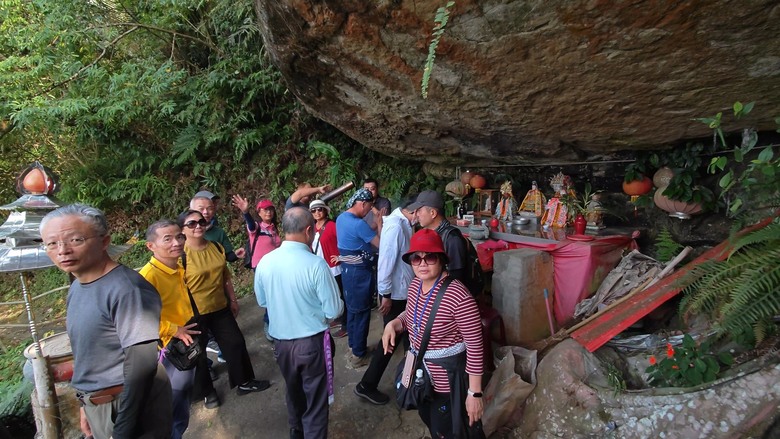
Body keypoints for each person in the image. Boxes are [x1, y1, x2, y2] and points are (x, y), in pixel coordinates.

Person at [40, 204, 172, 439]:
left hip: (127, 404)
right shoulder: (77, 286)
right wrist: (86, 404)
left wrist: (123, 430)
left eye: (75, 240)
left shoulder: (127, 289)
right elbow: (87, 355)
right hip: (100, 403)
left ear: (104, 241)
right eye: (52, 243)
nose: (63, 250)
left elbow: (142, 364)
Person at [381, 229, 484, 438]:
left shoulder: (459, 296)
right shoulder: (415, 286)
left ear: (442, 260)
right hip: (420, 374)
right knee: (430, 420)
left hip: (447, 383)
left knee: (450, 429)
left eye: (430, 257)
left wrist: (474, 393)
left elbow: (475, 347)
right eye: (416, 258)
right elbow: (412, 315)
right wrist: (394, 323)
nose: (422, 263)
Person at [255, 207, 344, 439]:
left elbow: (262, 301)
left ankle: (296, 430)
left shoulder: (265, 262)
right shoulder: (315, 264)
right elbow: (334, 310)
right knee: (316, 399)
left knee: (294, 390)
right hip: (312, 344)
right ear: (308, 230)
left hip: (281, 344)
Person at [178, 210, 270, 409]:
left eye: (201, 222)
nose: (198, 226)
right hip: (194, 312)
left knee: (235, 343)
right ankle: (207, 392)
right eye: (191, 223)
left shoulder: (216, 247)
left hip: (220, 306)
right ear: (182, 230)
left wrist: (233, 300)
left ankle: (244, 382)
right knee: (198, 354)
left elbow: (225, 276)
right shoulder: (180, 255)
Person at [139, 220, 200, 439]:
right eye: (168, 239)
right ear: (150, 246)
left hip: (184, 341)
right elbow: (137, 318)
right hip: (167, 350)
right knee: (173, 405)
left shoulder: (177, 265)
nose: (176, 243)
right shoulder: (148, 277)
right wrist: (173, 330)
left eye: (179, 237)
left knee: (183, 402)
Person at [354, 199, 416, 405]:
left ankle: (412, 381)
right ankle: (366, 385)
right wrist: (386, 295)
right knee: (389, 342)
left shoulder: (405, 223)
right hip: (395, 294)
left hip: (403, 291)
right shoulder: (396, 227)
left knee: (408, 338)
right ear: (413, 210)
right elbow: (386, 262)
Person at [334, 188, 381, 368]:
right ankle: (359, 354)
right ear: (362, 204)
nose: (369, 211)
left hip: (347, 270)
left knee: (352, 309)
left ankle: (354, 346)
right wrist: (380, 223)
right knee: (361, 312)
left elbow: (361, 234)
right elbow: (380, 243)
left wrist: (373, 224)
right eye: (369, 207)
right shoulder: (358, 224)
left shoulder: (341, 218)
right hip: (360, 272)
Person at [232, 195, 281, 342]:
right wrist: (246, 212)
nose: (268, 212)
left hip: (275, 267)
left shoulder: (273, 228)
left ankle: (277, 321)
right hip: (261, 269)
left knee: (277, 295)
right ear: (259, 212)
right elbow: (251, 225)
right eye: (265, 210)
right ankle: (268, 323)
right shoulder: (257, 228)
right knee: (270, 297)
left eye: (271, 209)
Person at [408, 190, 469, 284]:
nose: (416, 214)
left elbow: (457, 277)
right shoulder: (427, 235)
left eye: (419, 210)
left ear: (433, 213)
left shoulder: (452, 238)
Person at [309, 199, 346, 337]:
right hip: (321, 267)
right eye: (313, 210)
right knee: (329, 294)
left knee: (340, 295)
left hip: (335, 267)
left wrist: (340, 257)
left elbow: (343, 241)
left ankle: (346, 323)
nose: (317, 212)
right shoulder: (312, 228)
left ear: (325, 210)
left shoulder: (331, 226)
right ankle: (338, 318)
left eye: (320, 209)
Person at [190, 194, 244, 262]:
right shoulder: (184, 232)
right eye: (201, 209)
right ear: (191, 211)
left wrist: (236, 255)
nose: (206, 212)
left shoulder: (218, 232)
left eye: (210, 208)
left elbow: (227, 256)